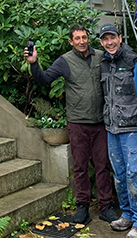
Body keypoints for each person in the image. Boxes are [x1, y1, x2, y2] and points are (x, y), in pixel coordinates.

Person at [24, 25, 117, 225]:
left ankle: (106, 207)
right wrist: (34, 63)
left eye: (84, 37)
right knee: (80, 167)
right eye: (77, 38)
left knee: (102, 166)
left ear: (88, 38)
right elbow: (44, 79)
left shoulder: (102, 56)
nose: (82, 41)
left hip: (100, 122)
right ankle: (82, 206)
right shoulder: (65, 61)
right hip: (77, 123)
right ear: (70, 41)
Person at [99, 22, 137, 238]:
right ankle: (128, 215)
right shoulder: (104, 63)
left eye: (112, 37)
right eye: (105, 39)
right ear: (102, 42)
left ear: (120, 38)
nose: (109, 42)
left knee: (136, 174)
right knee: (121, 175)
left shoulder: (133, 60)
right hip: (113, 129)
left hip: (134, 128)